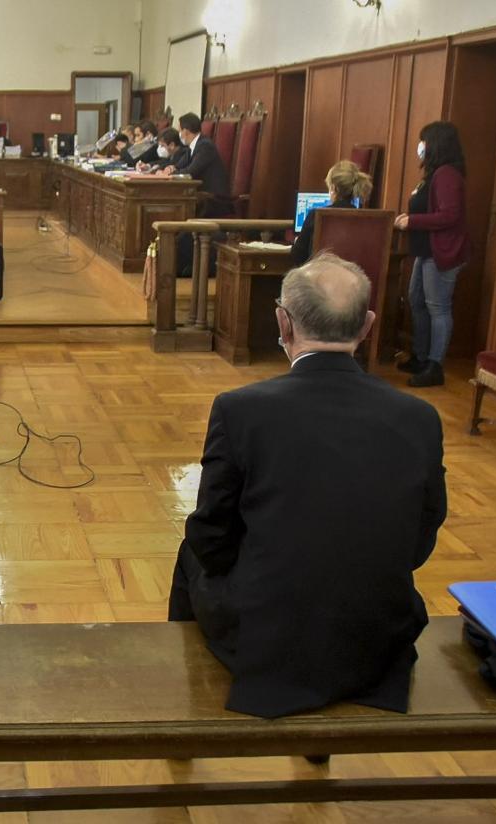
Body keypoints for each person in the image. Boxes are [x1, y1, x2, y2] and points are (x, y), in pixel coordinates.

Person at [167, 252, 447, 719]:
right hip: (377, 635)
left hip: (271, 637)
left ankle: (181, 711)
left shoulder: (241, 409)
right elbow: (420, 538)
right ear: (368, 325)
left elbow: (211, 536)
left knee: (190, 551)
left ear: (284, 323)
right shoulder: (420, 417)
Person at [394, 121, 470, 388]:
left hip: (442, 253)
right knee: (416, 300)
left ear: (435, 143)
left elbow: (450, 215)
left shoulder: (447, 174)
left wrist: (411, 221)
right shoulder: (434, 173)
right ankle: (421, 355)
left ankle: (434, 365)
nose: (420, 146)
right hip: (425, 251)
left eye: (424, 140)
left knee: (438, 307)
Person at [289, 160, 374, 265]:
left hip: (321, 278)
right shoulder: (368, 220)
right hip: (356, 278)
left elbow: (298, 256)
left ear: (333, 187)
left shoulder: (315, 215)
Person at [160, 112, 231, 216]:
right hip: (198, 196)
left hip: (212, 200)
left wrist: (170, 175)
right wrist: (170, 168)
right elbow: (178, 165)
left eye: (179, 130)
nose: (179, 134)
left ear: (186, 131)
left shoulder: (205, 146)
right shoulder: (193, 146)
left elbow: (190, 173)